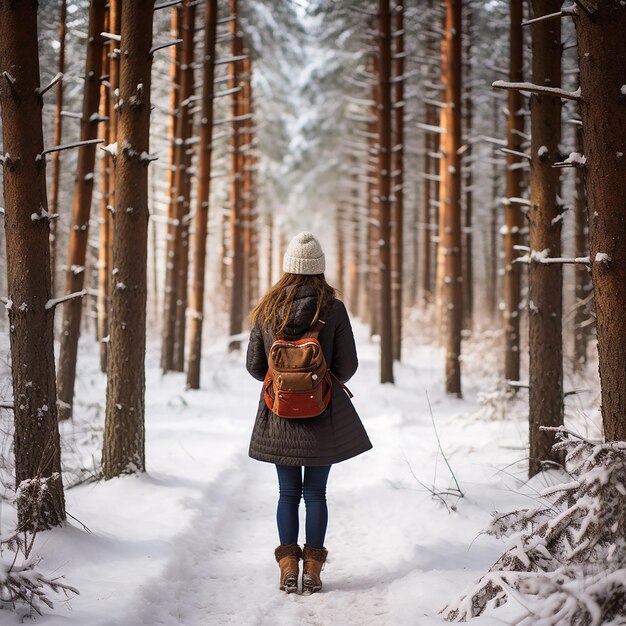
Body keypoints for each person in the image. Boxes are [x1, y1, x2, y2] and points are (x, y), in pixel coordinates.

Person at [246, 231, 372, 595]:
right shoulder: (333, 307)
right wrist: (317, 380)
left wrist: (283, 381)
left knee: (287, 494)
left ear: (287, 267)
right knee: (316, 494)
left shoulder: (267, 307)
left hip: (279, 411)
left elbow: (256, 365)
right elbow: (347, 366)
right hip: (323, 412)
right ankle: (314, 573)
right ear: (320, 269)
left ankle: (287, 569)